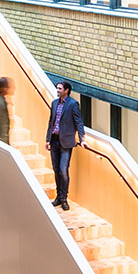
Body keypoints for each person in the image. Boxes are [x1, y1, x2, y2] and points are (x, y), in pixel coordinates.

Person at [45, 81, 83, 211]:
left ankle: (64, 199)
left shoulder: (73, 104)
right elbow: (51, 122)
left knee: (63, 170)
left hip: (66, 142)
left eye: (60, 88)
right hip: (54, 140)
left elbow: (79, 122)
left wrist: (82, 138)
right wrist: (47, 139)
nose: (57, 90)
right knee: (56, 169)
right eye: (57, 88)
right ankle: (58, 197)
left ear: (66, 90)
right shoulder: (54, 103)